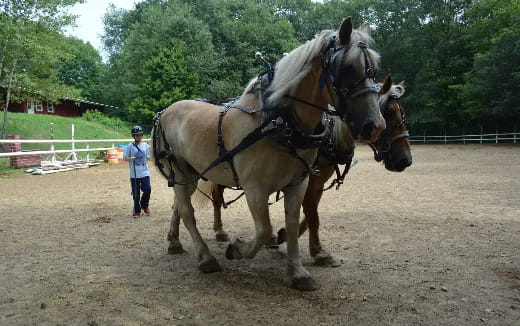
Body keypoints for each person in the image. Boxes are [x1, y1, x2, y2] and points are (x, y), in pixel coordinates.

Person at [123, 125, 151, 217]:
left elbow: (149, 156)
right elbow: (124, 158)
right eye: (136, 135)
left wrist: (146, 156)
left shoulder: (146, 146)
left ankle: (144, 204)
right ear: (133, 136)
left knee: (147, 189)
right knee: (136, 194)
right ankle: (137, 211)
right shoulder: (129, 147)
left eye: (140, 135)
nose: (138, 137)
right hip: (134, 173)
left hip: (144, 172)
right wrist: (132, 158)